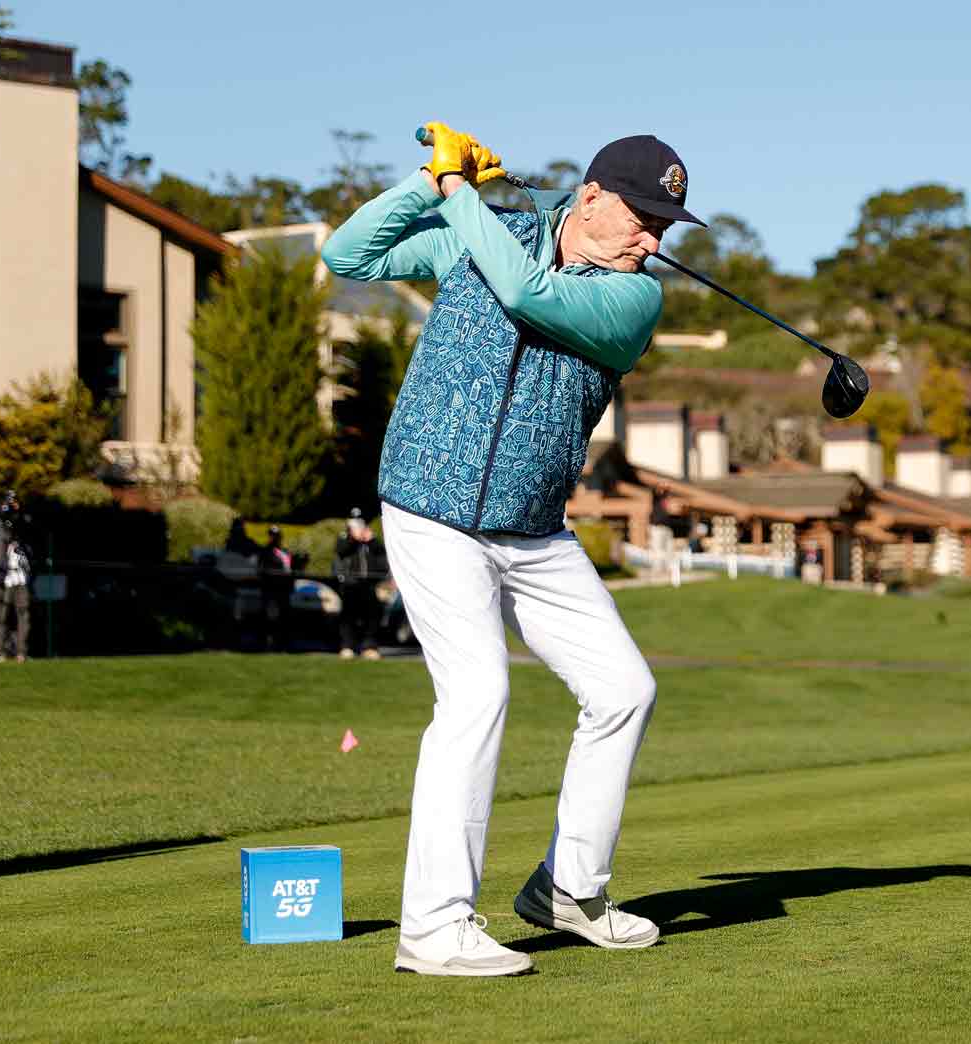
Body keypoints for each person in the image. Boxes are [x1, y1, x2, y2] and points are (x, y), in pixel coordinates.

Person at [323, 123, 700, 976]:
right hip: (432, 504)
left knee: (623, 691)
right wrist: (432, 181)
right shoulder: (487, 228)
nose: (651, 238)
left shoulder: (634, 303)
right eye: (640, 216)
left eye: (665, 228)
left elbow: (528, 294)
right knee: (478, 693)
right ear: (593, 197)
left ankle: (570, 889)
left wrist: (463, 198)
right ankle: (433, 925)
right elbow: (350, 254)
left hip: (533, 527)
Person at [0, 491, 31, 662]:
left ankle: (21, 652)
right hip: (1, 577)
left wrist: (19, 514)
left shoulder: (23, 522)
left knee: (22, 613)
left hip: (20, 576)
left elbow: (30, 540)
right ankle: (0, 652)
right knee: (1, 616)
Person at [334, 508, 385, 661]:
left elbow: (381, 552)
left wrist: (371, 540)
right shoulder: (344, 537)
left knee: (371, 615)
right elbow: (341, 551)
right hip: (350, 583)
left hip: (368, 583)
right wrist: (354, 539)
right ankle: (348, 646)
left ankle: (369, 647)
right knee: (349, 616)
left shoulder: (369, 540)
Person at [257, 525, 293, 653]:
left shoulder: (285, 552)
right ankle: (268, 643)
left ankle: (282, 644)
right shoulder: (265, 552)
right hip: (270, 589)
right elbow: (261, 570)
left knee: (283, 617)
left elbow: (289, 569)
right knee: (270, 616)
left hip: (283, 590)